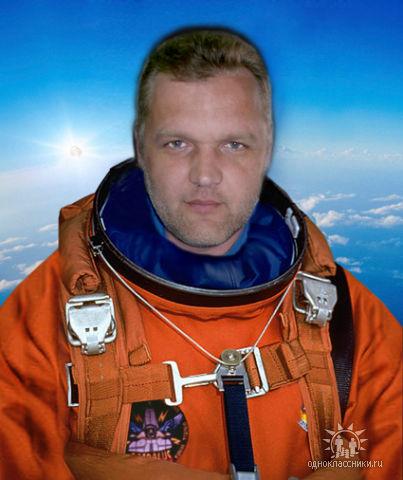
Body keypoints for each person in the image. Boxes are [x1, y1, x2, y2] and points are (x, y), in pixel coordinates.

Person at [0, 29, 401, 480]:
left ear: (267, 149)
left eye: (233, 144)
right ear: (140, 147)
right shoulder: (45, 315)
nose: (205, 175)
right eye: (178, 143)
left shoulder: (344, 314)